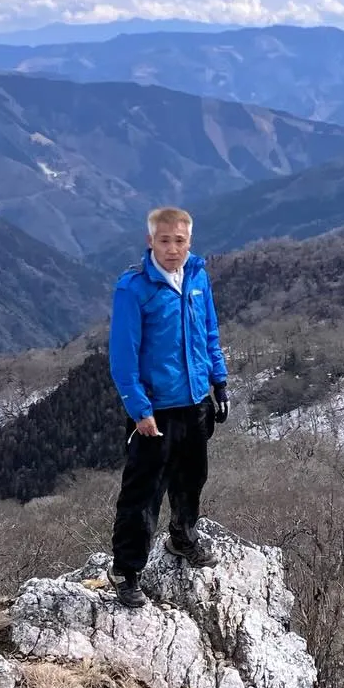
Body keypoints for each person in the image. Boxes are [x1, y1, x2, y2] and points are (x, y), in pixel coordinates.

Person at [106, 205, 229, 609]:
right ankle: (127, 571)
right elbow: (123, 357)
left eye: (180, 241)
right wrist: (139, 409)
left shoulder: (197, 276)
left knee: (192, 479)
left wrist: (219, 382)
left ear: (189, 241)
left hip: (195, 401)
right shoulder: (134, 288)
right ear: (150, 241)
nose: (173, 249)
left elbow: (209, 333)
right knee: (144, 492)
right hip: (155, 410)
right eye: (164, 241)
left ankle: (183, 537)